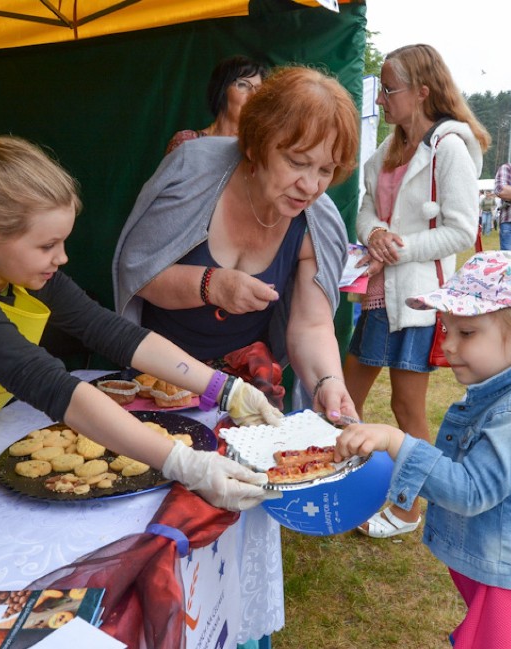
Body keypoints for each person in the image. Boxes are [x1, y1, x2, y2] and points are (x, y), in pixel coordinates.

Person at [0, 130, 285, 511]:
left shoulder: (21, 272)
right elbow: (51, 385)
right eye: (48, 246)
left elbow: (110, 331)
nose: (62, 258)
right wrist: (184, 464)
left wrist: (224, 389)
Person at [335, 251, 511, 648]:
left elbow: (471, 491)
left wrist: (397, 441)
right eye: (445, 329)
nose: (448, 346)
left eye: (466, 333)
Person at [113, 66, 360, 421]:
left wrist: (327, 382)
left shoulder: (318, 222)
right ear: (258, 143)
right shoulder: (191, 172)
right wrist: (212, 285)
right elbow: (138, 273)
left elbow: (313, 325)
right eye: (297, 162)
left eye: (325, 170)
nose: (310, 186)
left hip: (250, 392)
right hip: (160, 379)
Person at [342, 43, 489, 538]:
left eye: (389, 89)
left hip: (417, 302)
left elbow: (461, 231)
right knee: (344, 396)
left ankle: (408, 509)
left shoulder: (449, 147)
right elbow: (364, 209)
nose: (380, 99)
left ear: (422, 91)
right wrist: (373, 234)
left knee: (408, 410)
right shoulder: (386, 150)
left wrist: (396, 246)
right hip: (378, 295)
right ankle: (347, 485)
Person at [164, 55, 268, 155]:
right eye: (243, 85)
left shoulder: (258, 149)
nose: (253, 95)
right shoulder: (186, 142)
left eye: (258, 90)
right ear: (221, 89)